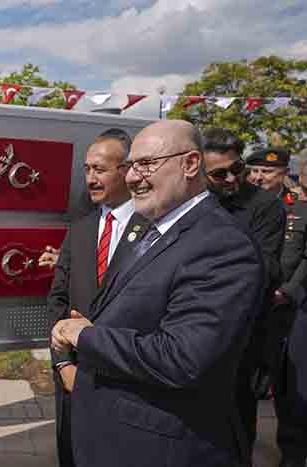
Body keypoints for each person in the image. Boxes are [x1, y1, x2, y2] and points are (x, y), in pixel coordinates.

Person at [51, 120, 264, 467]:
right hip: (111, 436)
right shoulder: (153, 229)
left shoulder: (221, 244)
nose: (133, 176)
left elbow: (184, 357)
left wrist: (87, 337)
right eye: (131, 165)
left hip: (159, 448)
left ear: (191, 164)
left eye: (147, 163)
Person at [42, 128, 149, 467]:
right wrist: (63, 364)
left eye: (99, 169)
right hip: (74, 373)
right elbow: (57, 298)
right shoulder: (82, 227)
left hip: (127, 377)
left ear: (126, 170)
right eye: (86, 169)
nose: (90, 178)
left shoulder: (154, 227)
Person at [203, 129, 285, 458]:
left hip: (243, 338)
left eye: (237, 168)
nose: (232, 178)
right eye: (219, 173)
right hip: (192, 334)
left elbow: (264, 270)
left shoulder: (264, 206)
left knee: (236, 430)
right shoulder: (193, 202)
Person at [246, 147, 307, 467]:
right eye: (254, 170)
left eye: (266, 172)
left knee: (288, 387)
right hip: (249, 308)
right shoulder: (241, 204)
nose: (258, 177)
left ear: (284, 172)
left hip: (288, 311)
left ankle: (292, 456)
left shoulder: (298, 207)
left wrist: (287, 291)